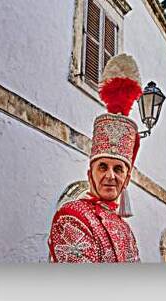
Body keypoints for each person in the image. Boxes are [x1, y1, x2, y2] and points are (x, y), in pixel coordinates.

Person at [49, 54, 144, 263]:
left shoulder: (125, 229)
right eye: (103, 167)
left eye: (118, 169)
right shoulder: (72, 216)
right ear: (90, 173)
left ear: (127, 180)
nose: (110, 175)